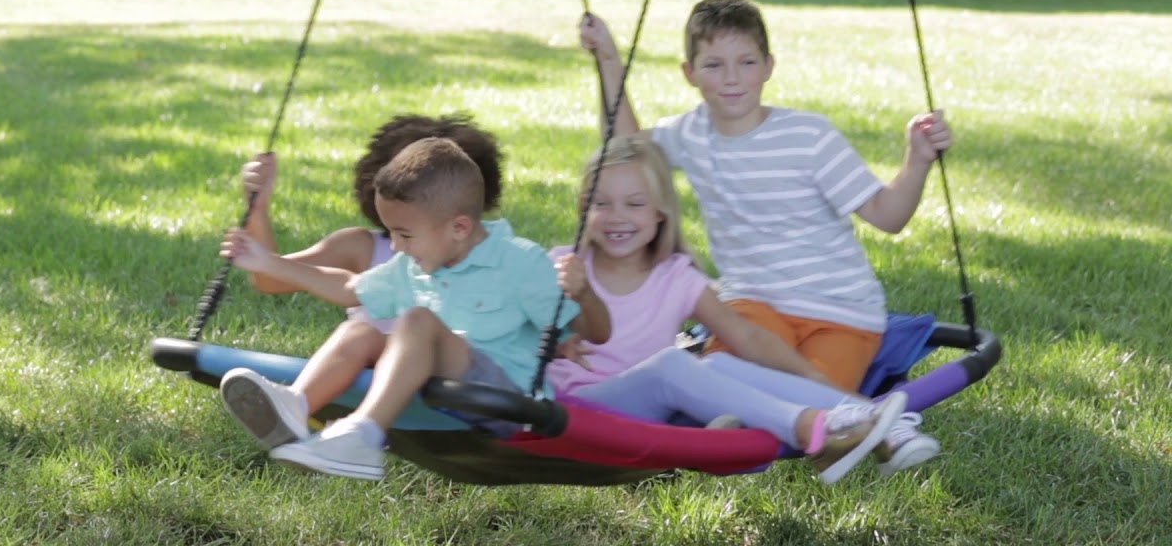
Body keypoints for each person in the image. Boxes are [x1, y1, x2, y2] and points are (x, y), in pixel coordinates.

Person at [579, 0, 948, 463]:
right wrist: (609, 59)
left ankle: (836, 421)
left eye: (746, 61)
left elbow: (887, 216)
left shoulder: (810, 136)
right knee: (721, 369)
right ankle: (865, 420)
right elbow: (627, 152)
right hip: (752, 304)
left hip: (841, 311)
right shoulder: (690, 134)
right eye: (713, 64)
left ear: (769, 66)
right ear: (689, 72)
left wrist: (917, 159)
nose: (731, 78)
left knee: (799, 397)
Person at [216, 137, 612, 480]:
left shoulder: (521, 261)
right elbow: (350, 286)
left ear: (459, 228)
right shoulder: (412, 263)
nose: (397, 245)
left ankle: (364, 436)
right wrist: (270, 263)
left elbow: (596, 332)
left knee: (417, 320)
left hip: (504, 401)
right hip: (443, 386)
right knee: (361, 330)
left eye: (404, 234)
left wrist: (586, 294)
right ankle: (295, 404)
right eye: (390, 233)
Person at [549, 135, 916, 484]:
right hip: (577, 414)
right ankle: (811, 429)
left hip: (646, 417)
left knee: (719, 364)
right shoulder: (563, 267)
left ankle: (874, 417)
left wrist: (812, 377)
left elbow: (747, 336)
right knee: (671, 364)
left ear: (661, 211)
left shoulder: (676, 278)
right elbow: (515, 337)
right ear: (584, 206)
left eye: (635, 203)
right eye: (602, 203)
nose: (617, 216)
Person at [240, 113, 504, 324]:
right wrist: (258, 209)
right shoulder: (363, 247)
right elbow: (270, 278)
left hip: (452, 373)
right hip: (372, 365)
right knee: (357, 335)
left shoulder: (493, 252)